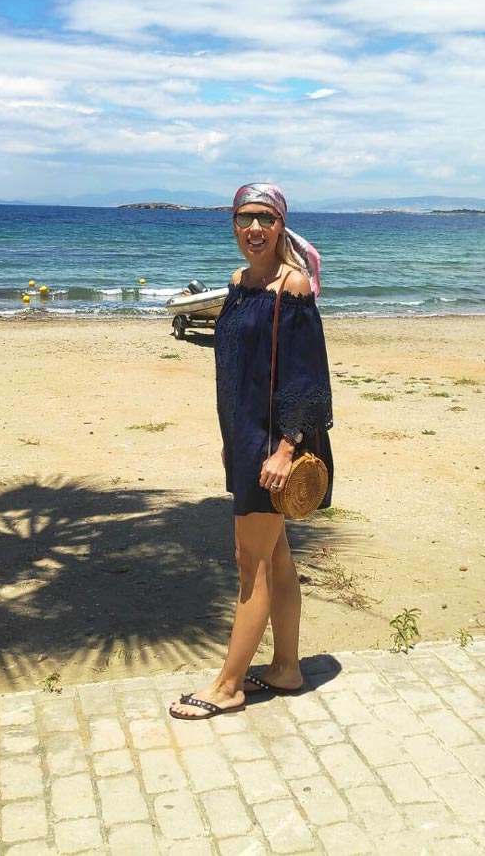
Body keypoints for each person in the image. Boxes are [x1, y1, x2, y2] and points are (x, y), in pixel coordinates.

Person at [169, 182, 333, 720]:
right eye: (245, 219)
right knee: (278, 558)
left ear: (281, 224)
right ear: (234, 226)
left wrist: (285, 449)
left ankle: (228, 685)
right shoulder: (239, 284)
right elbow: (234, 373)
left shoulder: (296, 289)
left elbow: (307, 380)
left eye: (265, 218)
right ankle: (287, 668)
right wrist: (229, 442)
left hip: (274, 444)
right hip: (244, 439)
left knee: (251, 563)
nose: (255, 228)